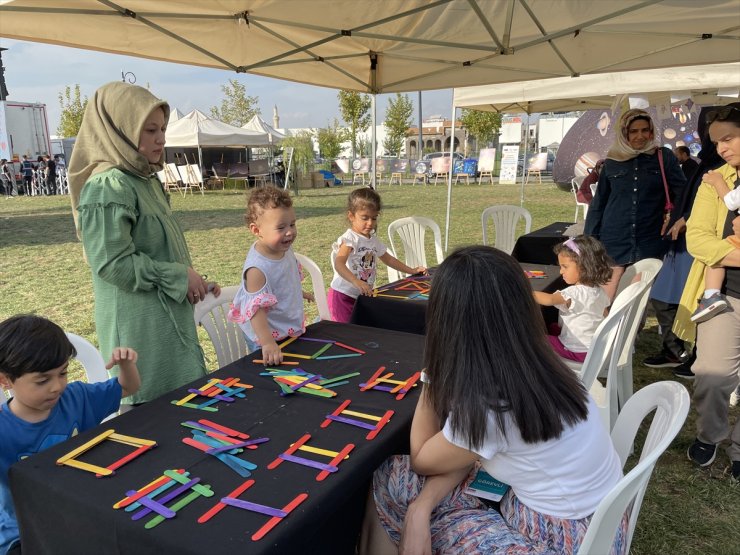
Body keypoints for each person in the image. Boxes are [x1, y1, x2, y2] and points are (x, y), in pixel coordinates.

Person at [360, 246, 627, 555]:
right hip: (598, 526)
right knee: (407, 483)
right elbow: (467, 451)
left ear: (448, 323)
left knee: (391, 478)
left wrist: (431, 378)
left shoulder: (491, 404)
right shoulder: (542, 365)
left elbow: (421, 459)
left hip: (555, 540)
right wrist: (421, 507)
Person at [68, 81, 219, 407]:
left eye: (162, 128)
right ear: (118, 129)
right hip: (140, 328)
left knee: (183, 414)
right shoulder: (108, 185)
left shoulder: (145, 178)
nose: (161, 138)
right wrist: (177, 276)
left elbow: (158, 249)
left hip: (166, 318)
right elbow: (110, 262)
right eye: (149, 130)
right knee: (154, 421)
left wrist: (193, 281)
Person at [0, 314, 141, 555]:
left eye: (63, 373)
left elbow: (129, 387)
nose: (57, 386)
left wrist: (127, 365)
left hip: (86, 511)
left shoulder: (77, 398)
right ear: (5, 380)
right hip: (25, 529)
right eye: (43, 380)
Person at [674, 103, 740, 482]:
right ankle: (711, 433)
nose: (722, 148)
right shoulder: (714, 178)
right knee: (712, 376)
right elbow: (698, 239)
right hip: (727, 293)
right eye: (717, 142)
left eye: (728, 138)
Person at [643, 108, 725, 371]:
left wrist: (687, 218)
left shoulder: (723, 164)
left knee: (695, 302)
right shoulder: (708, 161)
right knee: (664, 299)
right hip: (680, 242)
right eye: (709, 127)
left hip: (701, 244)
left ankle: (696, 358)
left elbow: (720, 204)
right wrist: (677, 216)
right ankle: (675, 351)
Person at [585, 109, 687, 300]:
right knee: (606, 298)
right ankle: (605, 330)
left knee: (635, 298)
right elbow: (599, 202)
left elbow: (683, 193)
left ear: (651, 132)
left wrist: (678, 219)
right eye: (634, 131)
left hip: (648, 238)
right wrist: (590, 239)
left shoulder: (663, 157)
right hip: (614, 238)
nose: (640, 136)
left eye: (645, 130)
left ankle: (632, 331)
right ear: (625, 133)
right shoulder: (612, 161)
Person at [227, 186, 313, 366]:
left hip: (283, 329)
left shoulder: (282, 248)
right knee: (273, 377)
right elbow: (255, 310)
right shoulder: (257, 270)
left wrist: (298, 292)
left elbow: (283, 279)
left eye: (292, 224)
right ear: (257, 231)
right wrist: (267, 343)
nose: (289, 232)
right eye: (281, 227)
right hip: (264, 337)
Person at [328, 188, 427, 322]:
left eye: (374, 218)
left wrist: (412, 270)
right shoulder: (350, 239)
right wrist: (355, 281)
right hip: (343, 296)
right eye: (365, 218)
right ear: (351, 216)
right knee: (345, 334)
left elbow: (389, 259)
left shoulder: (373, 240)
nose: (370, 223)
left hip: (362, 296)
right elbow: (339, 264)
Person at [533, 235, 612, 362]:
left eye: (565, 266)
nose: (560, 272)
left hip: (575, 351)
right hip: (593, 349)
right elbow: (605, 315)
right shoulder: (599, 291)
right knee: (553, 326)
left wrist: (523, 289)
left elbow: (549, 300)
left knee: (535, 338)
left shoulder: (574, 293)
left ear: (584, 266)